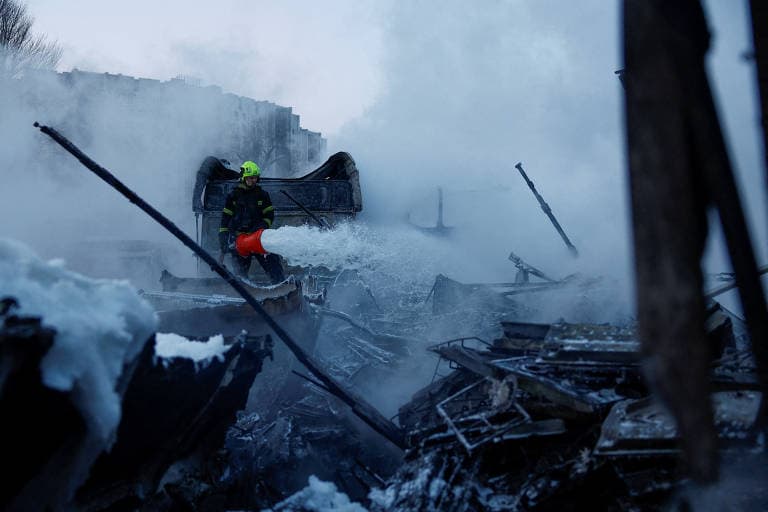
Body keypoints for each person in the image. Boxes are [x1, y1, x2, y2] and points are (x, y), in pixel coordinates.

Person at [218, 161, 285, 283]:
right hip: (239, 239)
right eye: (250, 178)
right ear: (244, 177)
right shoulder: (233, 196)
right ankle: (244, 294)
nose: (253, 180)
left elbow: (269, 215)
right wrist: (223, 236)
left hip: (258, 238)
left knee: (273, 263)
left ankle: (281, 287)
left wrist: (261, 226)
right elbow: (225, 218)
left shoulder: (262, 195)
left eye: (255, 178)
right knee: (240, 277)